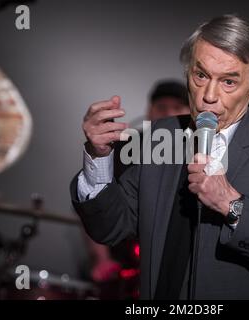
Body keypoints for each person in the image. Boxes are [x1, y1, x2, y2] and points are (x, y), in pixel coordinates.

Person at [71, 14, 249, 300]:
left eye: (229, 82)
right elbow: (110, 228)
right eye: (201, 75)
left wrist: (232, 205)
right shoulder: (162, 135)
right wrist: (98, 157)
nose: (209, 95)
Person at [87, 80, 189, 284]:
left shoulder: (201, 151)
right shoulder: (125, 146)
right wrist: (102, 259)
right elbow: (95, 204)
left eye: (177, 108)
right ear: (149, 111)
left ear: (190, 112)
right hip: (123, 266)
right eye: (162, 107)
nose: (169, 114)